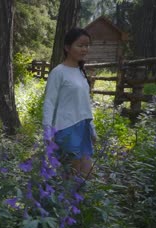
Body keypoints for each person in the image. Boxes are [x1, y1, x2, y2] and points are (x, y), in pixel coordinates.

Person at [42, 27, 97, 178]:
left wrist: (92, 128)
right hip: (66, 128)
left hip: (83, 127)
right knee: (70, 176)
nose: (85, 49)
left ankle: (81, 202)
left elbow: (85, 103)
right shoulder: (58, 72)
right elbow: (49, 102)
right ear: (67, 47)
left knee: (87, 174)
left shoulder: (80, 72)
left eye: (87, 45)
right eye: (80, 45)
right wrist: (47, 131)